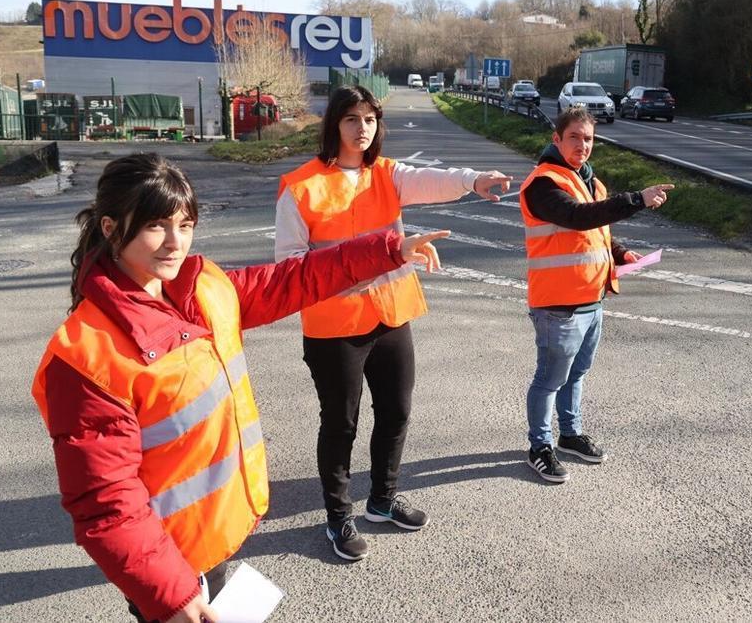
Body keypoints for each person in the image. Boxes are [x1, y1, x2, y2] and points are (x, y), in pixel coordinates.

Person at [31, 153, 448, 623]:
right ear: (110, 227)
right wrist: (170, 595)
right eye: (155, 226)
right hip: (171, 560)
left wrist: (388, 249)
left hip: (213, 535)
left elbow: (293, 278)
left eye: (185, 225)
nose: (175, 243)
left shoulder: (200, 289)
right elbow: (106, 503)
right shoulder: (86, 356)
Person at [275, 85, 511, 561]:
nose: (362, 129)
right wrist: (357, 266)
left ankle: (382, 500)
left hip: (391, 313)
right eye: (351, 120)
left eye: (369, 119)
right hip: (335, 325)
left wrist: (474, 179)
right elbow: (289, 266)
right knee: (341, 424)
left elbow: (428, 179)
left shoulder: (385, 174)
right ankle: (338, 516)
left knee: (396, 412)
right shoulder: (300, 186)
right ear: (333, 125)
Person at [519, 107, 673, 483]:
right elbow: (577, 217)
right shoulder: (543, 183)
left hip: (591, 297)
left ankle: (569, 435)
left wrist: (621, 253)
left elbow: (596, 230)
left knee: (577, 373)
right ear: (556, 139)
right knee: (550, 378)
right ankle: (539, 446)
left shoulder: (590, 180)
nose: (583, 145)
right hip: (558, 304)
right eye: (574, 137)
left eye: (588, 139)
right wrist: (636, 199)